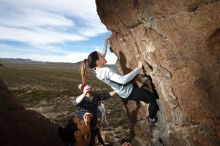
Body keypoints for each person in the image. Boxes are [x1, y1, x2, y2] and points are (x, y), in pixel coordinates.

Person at [87, 37, 159, 124]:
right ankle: (151, 118)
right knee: (152, 99)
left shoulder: (97, 69)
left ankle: (144, 97)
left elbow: (102, 52)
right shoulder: (106, 71)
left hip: (124, 89)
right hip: (129, 91)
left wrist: (106, 40)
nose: (103, 55)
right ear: (98, 61)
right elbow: (122, 80)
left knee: (143, 88)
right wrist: (138, 68)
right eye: (101, 56)